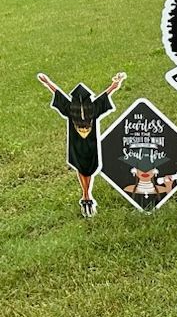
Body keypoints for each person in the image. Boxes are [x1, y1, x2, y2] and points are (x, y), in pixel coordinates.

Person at [37, 71, 126, 217]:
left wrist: (48, 83)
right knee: (84, 169)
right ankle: (86, 195)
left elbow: (58, 94)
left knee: (84, 169)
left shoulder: (71, 108)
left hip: (80, 145)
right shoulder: (92, 108)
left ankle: (86, 195)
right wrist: (47, 82)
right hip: (86, 145)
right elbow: (106, 94)